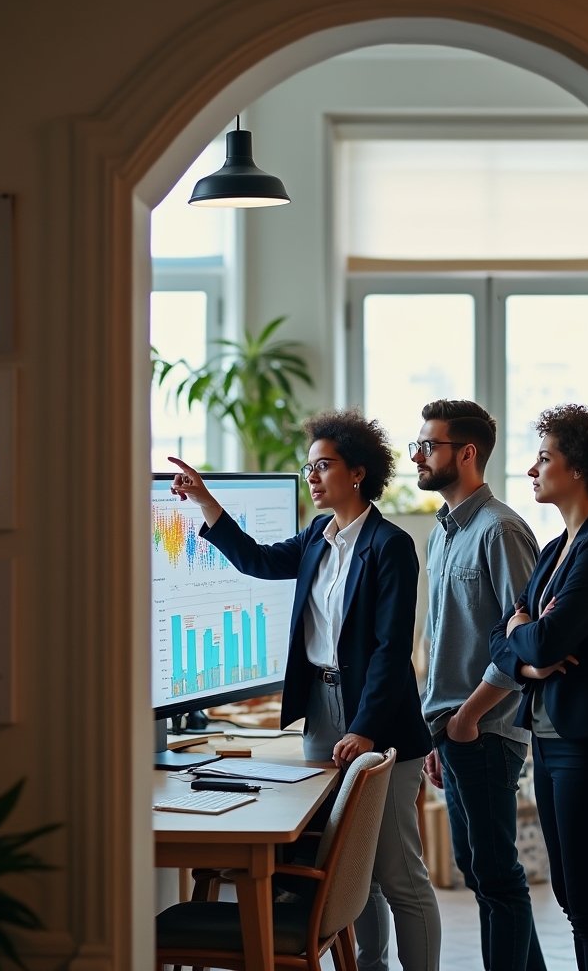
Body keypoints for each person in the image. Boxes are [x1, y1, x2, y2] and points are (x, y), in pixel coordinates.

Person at [168, 408, 440, 971]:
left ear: (357, 472)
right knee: (350, 865)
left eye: (323, 466)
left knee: (397, 871)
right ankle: (371, 965)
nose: (312, 477)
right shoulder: (319, 535)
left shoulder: (390, 547)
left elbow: (392, 652)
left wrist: (365, 729)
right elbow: (260, 562)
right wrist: (205, 501)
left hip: (379, 717)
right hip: (322, 708)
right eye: (309, 467)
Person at [489, 404, 588, 971]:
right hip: (554, 740)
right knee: (570, 894)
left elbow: (543, 639)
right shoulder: (558, 549)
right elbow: (505, 641)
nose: (532, 470)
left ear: (576, 468)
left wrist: (527, 634)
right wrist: (525, 644)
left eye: (544, 458)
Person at [411, 400, 546, 971]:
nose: (417, 455)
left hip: (486, 730)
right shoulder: (442, 534)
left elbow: (525, 642)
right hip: (455, 730)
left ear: (466, 454)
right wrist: (437, 729)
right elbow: (442, 640)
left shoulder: (501, 530)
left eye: (429, 445)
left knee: (496, 876)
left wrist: (465, 719)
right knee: (479, 867)